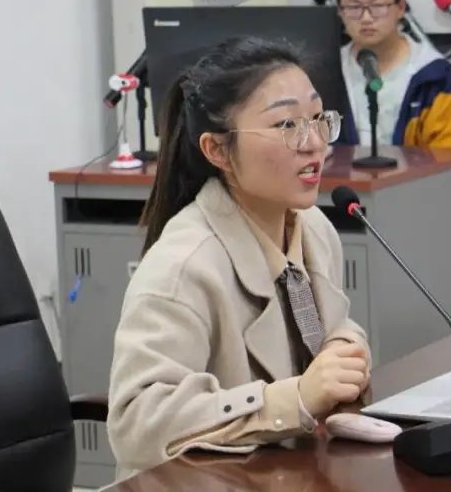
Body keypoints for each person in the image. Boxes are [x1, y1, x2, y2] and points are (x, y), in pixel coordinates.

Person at [105, 36, 371, 482]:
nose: (315, 144)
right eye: (287, 124)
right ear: (217, 150)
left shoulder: (314, 229)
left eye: (318, 118)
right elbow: (136, 423)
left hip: (281, 474)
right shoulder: (183, 265)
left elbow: (332, 326)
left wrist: (344, 347)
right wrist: (293, 399)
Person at [333, 0, 451, 149]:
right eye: (353, 7)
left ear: (400, 8)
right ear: (340, 12)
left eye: (377, 6)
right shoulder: (325, 73)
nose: (366, 18)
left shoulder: (435, 78)